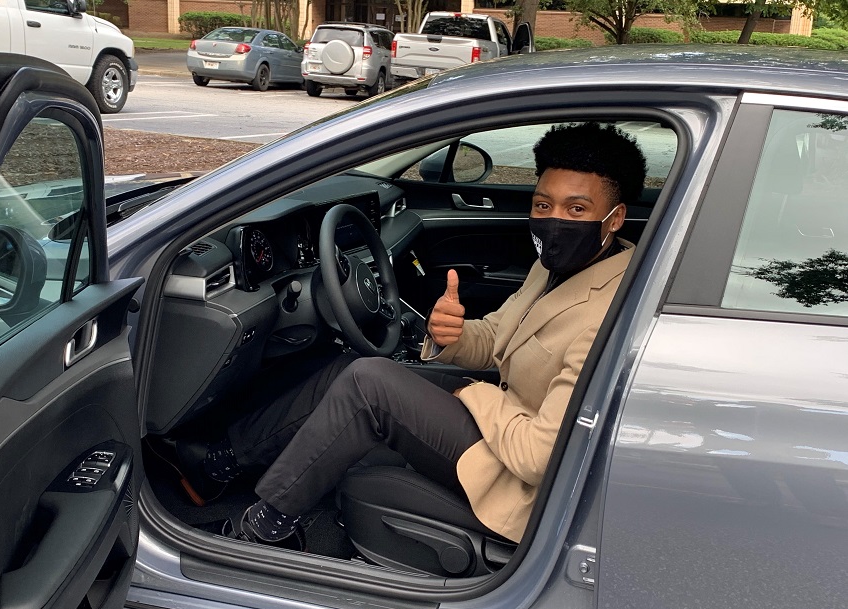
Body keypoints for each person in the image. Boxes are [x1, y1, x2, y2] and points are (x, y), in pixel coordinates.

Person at [185, 121, 647, 550]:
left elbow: (536, 459)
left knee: (370, 384)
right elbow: (497, 338)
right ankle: (220, 464)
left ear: (615, 217)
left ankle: (264, 529)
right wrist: (454, 334)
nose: (554, 220)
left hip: (516, 475)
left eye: (577, 208)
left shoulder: (606, 311)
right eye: (543, 204)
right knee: (352, 369)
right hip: (506, 420)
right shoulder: (557, 268)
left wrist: (477, 395)